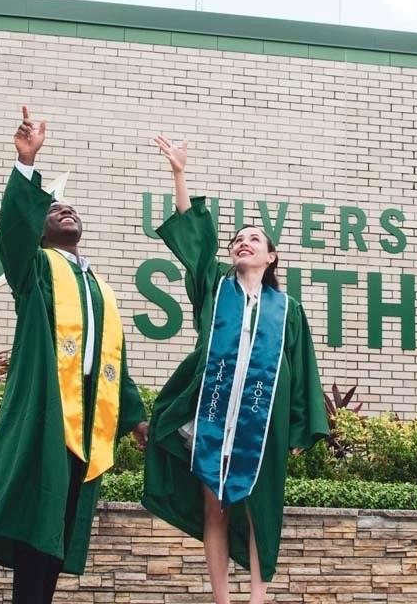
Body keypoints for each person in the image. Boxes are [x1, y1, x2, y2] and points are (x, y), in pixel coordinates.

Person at [142, 135, 329, 604]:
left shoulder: (288, 309)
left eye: (254, 239)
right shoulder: (214, 287)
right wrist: (179, 175)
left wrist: (300, 428)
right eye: (238, 239)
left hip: (262, 423)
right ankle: (223, 600)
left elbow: (302, 370)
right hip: (211, 419)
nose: (243, 243)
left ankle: (258, 599)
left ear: (271, 257)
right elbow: (194, 239)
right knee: (217, 511)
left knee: (261, 510)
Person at [0, 105, 148, 604]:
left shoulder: (97, 285)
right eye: (54, 209)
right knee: (39, 520)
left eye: (71, 208)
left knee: (59, 524)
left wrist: (135, 417)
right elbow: (11, 231)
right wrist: (26, 164)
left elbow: (109, 358)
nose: (65, 209)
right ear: (40, 230)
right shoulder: (35, 271)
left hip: (86, 427)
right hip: (48, 417)